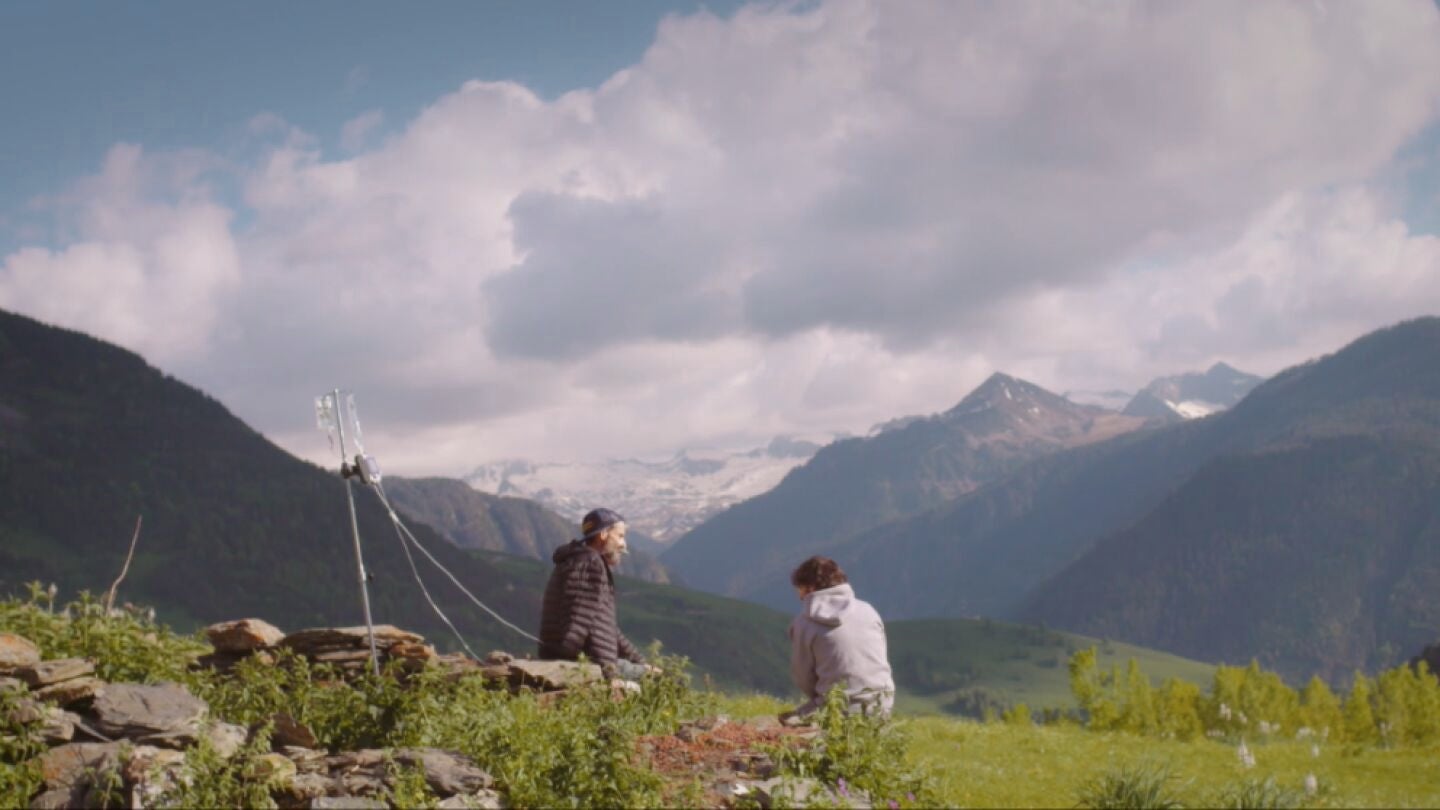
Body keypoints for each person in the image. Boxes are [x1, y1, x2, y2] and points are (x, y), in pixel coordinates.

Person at [537, 507, 650, 680]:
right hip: (584, 662)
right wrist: (610, 673)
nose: (623, 544)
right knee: (666, 680)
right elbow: (581, 622)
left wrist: (640, 661)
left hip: (582, 658)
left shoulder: (578, 560)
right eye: (620, 536)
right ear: (603, 534)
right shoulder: (590, 563)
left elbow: (605, 627)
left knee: (650, 673)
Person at [783, 555, 894, 721]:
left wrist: (822, 697)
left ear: (810, 588)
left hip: (837, 710)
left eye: (799, 589)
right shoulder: (869, 611)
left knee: (788, 722)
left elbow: (803, 676)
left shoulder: (803, 624)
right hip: (881, 705)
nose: (799, 597)